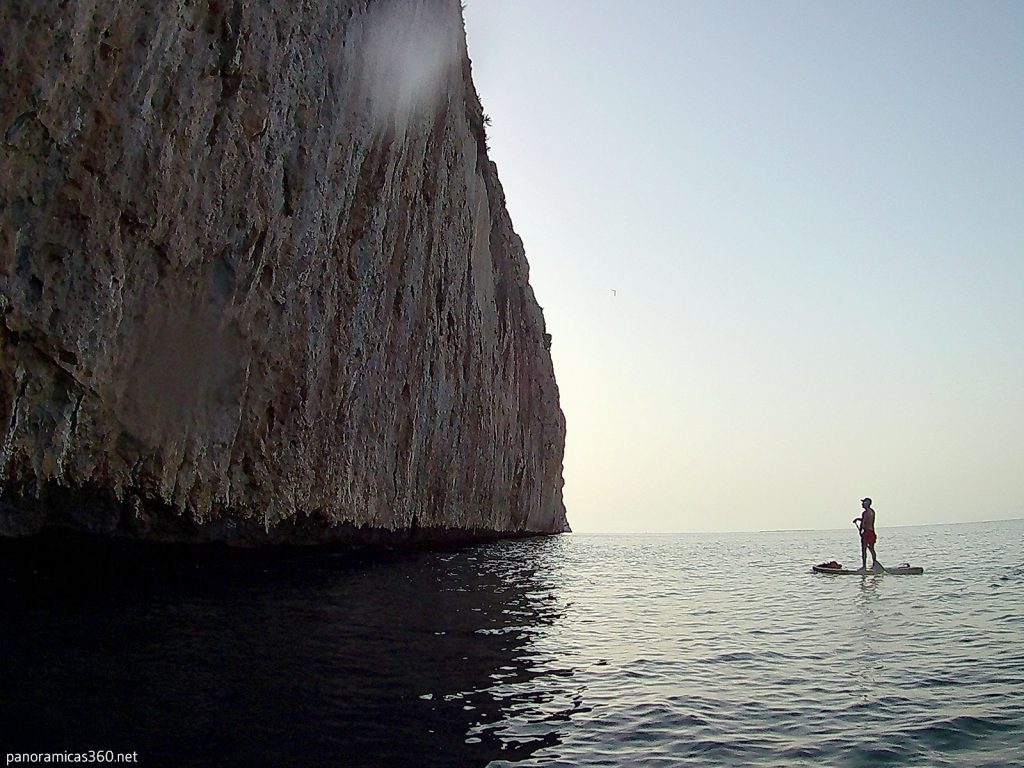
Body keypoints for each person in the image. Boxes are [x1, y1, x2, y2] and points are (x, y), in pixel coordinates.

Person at [852, 497, 879, 571]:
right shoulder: (872, 511)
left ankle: (864, 567)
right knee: (872, 549)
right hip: (871, 532)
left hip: (867, 532)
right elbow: (865, 520)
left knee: (864, 549)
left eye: (864, 502)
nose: (862, 504)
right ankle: (874, 565)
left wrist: (861, 531)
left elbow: (864, 523)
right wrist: (858, 519)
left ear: (868, 503)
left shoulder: (866, 512)